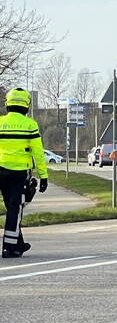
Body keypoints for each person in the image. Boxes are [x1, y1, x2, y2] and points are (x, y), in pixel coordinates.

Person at [0, 88, 48, 258]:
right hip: (19, 174)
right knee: (15, 208)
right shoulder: (30, 125)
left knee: (11, 207)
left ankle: (18, 243)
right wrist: (43, 176)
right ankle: (9, 247)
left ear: (8, 104)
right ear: (26, 105)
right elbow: (38, 153)